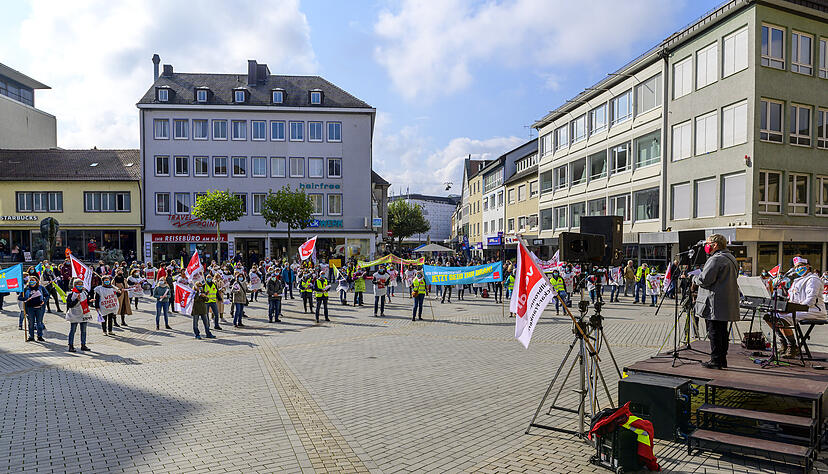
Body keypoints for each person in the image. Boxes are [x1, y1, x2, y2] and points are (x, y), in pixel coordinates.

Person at [764, 257, 827, 358]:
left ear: (808, 266)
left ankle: (792, 346)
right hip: (799, 309)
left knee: (783, 318)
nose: (798, 268)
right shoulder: (797, 280)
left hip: (813, 310)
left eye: (800, 266)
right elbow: (792, 299)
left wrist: (791, 309)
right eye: (796, 267)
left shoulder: (813, 280)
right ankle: (784, 342)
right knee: (769, 316)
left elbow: (810, 301)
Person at [693, 234, 739, 370]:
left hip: (715, 302)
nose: (706, 246)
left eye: (708, 244)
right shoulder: (730, 258)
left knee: (714, 332)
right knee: (722, 332)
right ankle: (721, 359)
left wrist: (695, 278)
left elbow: (705, 280)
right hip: (725, 301)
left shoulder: (716, 260)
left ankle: (716, 360)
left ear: (715, 245)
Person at [65, 278, 91, 352]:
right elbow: (69, 305)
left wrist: (89, 301)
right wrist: (77, 300)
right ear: (74, 285)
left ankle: (83, 345)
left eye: (81, 284)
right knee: (73, 330)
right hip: (74, 314)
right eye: (78, 284)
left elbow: (87, 302)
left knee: (84, 331)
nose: (80, 286)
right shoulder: (71, 294)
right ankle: (71, 346)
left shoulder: (84, 293)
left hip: (84, 314)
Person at [23, 275, 48, 342]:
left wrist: (44, 301)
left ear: (37, 281)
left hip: (39, 308)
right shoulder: (26, 289)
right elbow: (22, 298)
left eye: (33, 280)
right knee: (31, 323)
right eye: (30, 280)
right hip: (30, 308)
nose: (32, 282)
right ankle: (31, 336)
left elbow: (47, 295)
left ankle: (40, 336)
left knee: (39, 323)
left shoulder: (41, 287)